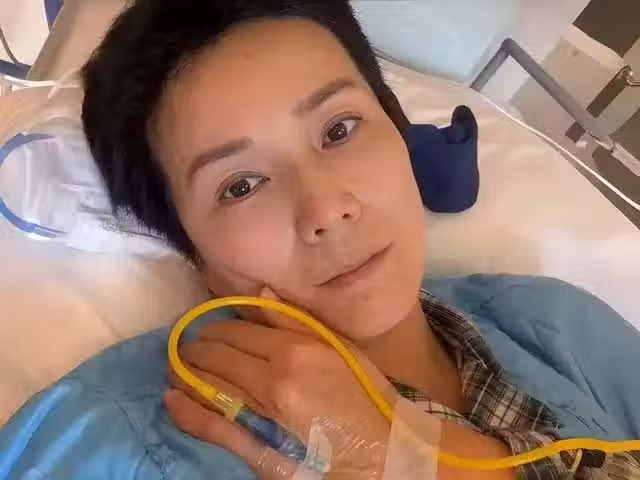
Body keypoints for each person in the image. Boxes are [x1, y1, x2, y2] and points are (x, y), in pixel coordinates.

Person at [1, 1, 639, 479]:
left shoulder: (559, 324)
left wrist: (412, 464)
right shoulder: (103, 437)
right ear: (190, 247)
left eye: (339, 130)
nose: (327, 210)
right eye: (242, 185)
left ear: (397, 131)